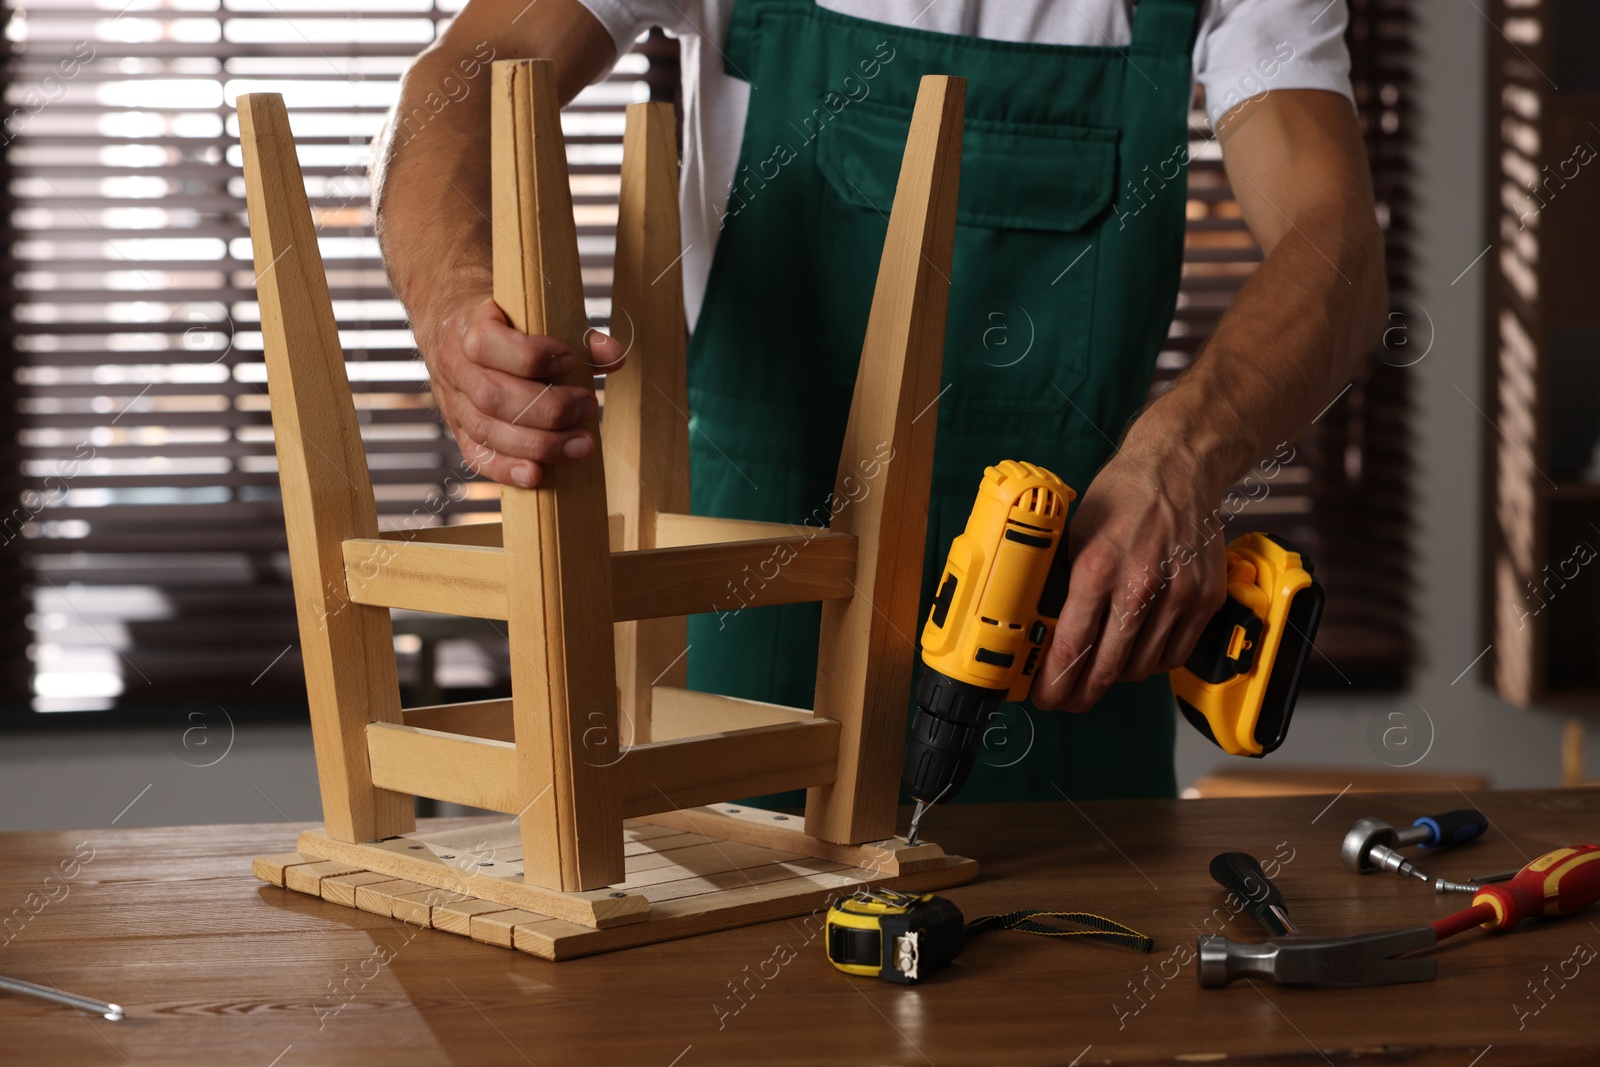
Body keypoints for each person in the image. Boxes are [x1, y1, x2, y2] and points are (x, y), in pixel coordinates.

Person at [374, 0, 1385, 802]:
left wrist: (1185, 454)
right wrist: (459, 301)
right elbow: (462, 81)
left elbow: (1335, 244)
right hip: (752, 650)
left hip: (1073, 651)